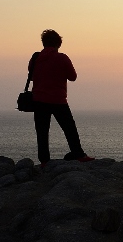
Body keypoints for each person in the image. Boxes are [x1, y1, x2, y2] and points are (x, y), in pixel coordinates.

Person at [30, 29, 93, 165]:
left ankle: (44, 160)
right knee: (69, 128)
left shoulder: (36, 58)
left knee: (42, 131)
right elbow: (73, 77)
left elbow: (31, 73)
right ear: (58, 43)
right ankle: (78, 154)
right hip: (58, 99)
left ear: (43, 42)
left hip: (39, 100)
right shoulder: (62, 58)